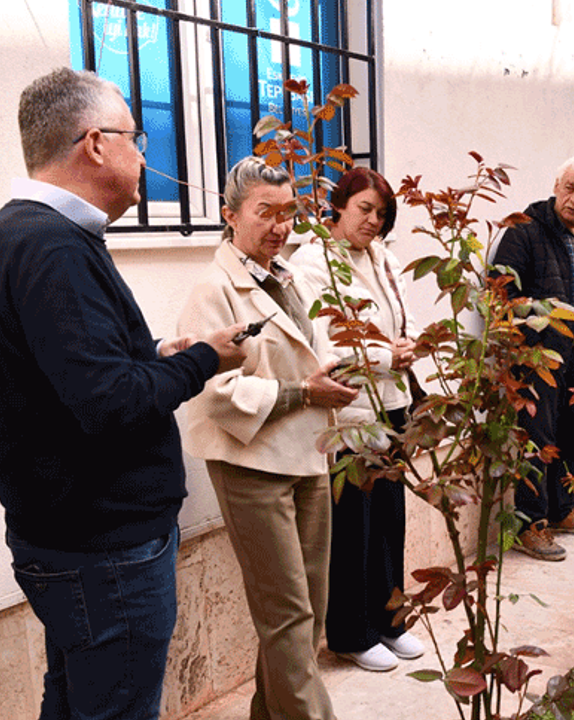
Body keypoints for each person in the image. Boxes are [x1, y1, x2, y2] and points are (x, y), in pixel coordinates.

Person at [0, 67, 246, 720]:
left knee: (73, 701)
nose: (144, 156)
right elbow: (108, 403)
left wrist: (152, 353)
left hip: (67, 538)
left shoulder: (23, 234)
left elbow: (58, 375)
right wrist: (204, 358)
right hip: (104, 550)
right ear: (95, 143)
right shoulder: (53, 248)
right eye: (136, 139)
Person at [178, 156, 359, 720]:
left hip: (308, 456)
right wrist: (304, 392)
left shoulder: (286, 278)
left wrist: (338, 374)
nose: (281, 226)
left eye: (288, 213)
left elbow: (308, 357)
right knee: (286, 616)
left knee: (309, 612)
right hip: (252, 467)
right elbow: (214, 392)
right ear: (230, 215)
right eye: (266, 212)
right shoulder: (213, 290)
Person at [288, 167, 427, 672]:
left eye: (382, 214)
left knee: (390, 519)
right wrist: (389, 356)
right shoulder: (313, 262)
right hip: (349, 410)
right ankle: (351, 633)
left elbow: (401, 316)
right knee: (353, 526)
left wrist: (410, 345)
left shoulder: (381, 257)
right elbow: (323, 341)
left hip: (391, 402)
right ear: (339, 206)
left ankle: (390, 622)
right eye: (364, 209)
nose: (373, 221)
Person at [491, 156, 574, 561]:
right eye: (569, 188)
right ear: (556, 185)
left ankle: (563, 510)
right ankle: (531, 525)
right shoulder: (526, 230)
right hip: (540, 355)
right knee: (538, 438)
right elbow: (501, 292)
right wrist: (534, 333)